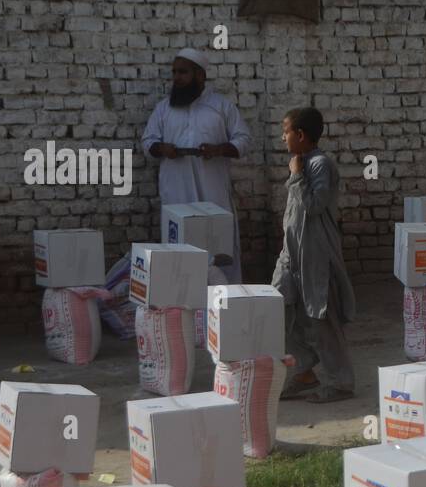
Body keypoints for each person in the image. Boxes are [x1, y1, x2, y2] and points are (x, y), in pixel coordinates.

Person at [141, 48, 253, 282]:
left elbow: (243, 139)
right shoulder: (164, 108)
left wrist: (218, 149)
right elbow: (148, 141)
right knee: (178, 244)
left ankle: (226, 297)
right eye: (174, 72)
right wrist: (163, 148)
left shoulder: (221, 107)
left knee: (219, 243)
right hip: (176, 191)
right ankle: (180, 298)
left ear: (200, 75)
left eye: (183, 72)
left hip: (213, 191)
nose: (176, 78)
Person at [272, 107, 356, 403]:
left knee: (322, 318)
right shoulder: (300, 162)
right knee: (276, 309)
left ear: (301, 135)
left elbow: (314, 205)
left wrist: (296, 176)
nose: (283, 137)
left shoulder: (319, 165)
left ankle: (341, 382)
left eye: (286, 131)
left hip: (317, 253)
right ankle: (304, 369)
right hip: (291, 254)